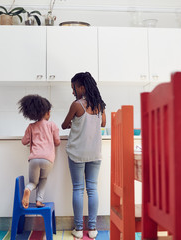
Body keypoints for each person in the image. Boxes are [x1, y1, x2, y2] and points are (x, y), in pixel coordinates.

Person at [61, 72, 106, 239]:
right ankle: (93, 229)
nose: (73, 91)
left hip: (77, 153)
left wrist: (75, 122)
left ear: (81, 87)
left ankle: (79, 229)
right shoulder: (100, 105)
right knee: (92, 189)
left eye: (74, 87)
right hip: (95, 153)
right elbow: (103, 123)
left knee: (78, 189)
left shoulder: (76, 105)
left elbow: (64, 124)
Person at [18, 94, 60, 208]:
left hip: (34, 159)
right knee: (43, 178)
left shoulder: (31, 126)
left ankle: (28, 189)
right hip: (48, 159)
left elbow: (24, 141)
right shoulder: (52, 125)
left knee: (33, 182)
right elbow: (57, 142)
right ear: (47, 112)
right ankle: (39, 201)